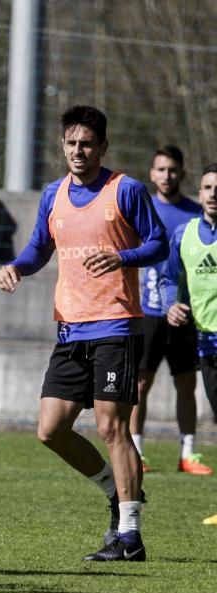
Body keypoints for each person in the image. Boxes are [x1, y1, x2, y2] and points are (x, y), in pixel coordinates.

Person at [0, 105, 168, 562]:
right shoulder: (54, 194)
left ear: (103, 147)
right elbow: (38, 247)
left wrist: (122, 258)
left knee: (113, 427)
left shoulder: (124, 190)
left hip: (115, 325)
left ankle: (130, 536)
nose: (78, 150)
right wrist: (15, 267)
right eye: (71, 142)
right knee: (50, 430)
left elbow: (158, 243)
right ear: (62, 145)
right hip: (71, 329)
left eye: (87, 143)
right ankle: (116, 490)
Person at [131, 146, 209, 475]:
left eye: (173, 170)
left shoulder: (196, 213)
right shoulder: (140, 210)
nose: (166, 176)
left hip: (185, 313)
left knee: (186, 383)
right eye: (160, 170)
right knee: (140, 384)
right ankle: (136, 452)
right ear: (152, 174)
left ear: (183, 174)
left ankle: (187, 453)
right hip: (148, 311)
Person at [160, 165, 217, 487]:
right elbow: (169, 277)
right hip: (207, 342)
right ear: (200, 194)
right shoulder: (184, 234)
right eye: (208, 187)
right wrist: (171, 305)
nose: (214, 194)